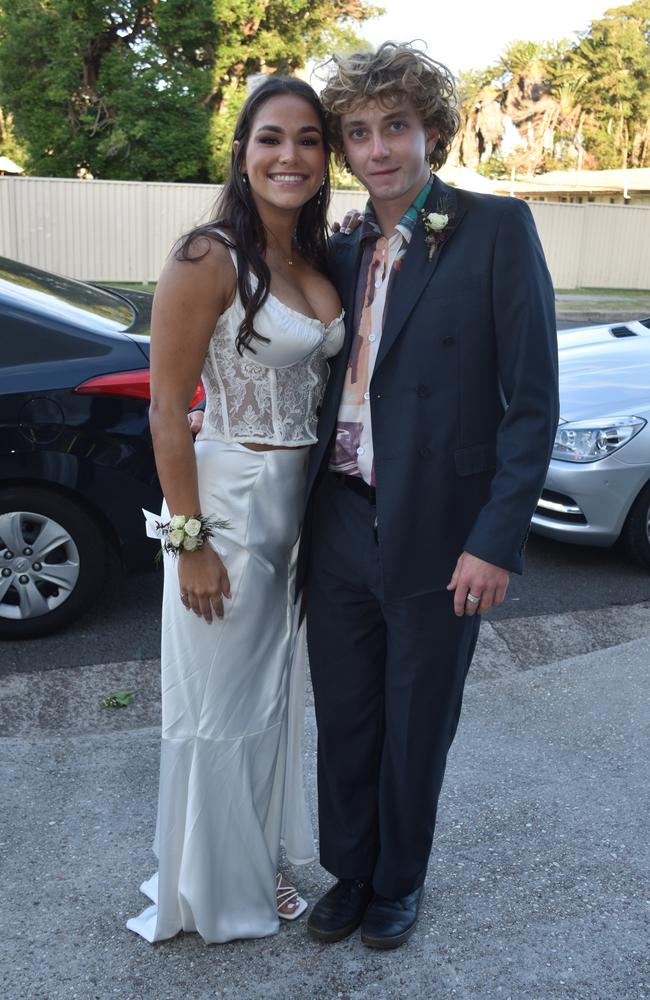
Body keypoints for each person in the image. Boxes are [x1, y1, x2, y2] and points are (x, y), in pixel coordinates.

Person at [297, 42, 560, 949]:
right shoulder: (335, 248)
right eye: (359, 132)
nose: (378, 149)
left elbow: (532, 405)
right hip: (334, 517)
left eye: (396, 127)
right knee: (346, 713)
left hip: (442, 530)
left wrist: (496, 539)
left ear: (432, 133)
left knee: (417, 718)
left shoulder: (496, 229)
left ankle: (400, 881)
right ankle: (351, 872)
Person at [126, 76, 344, 945]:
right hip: (228, 506)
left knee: (267, 703)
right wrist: (190, 544)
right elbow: (165, 408)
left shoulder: (315, 261)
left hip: (299, 515)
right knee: (217, 706)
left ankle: (255, 857)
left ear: (326, 161)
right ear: (243, 153)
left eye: (307, 140)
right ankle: (211, 889)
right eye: (270, 139)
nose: (288, 156)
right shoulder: (207, 256)